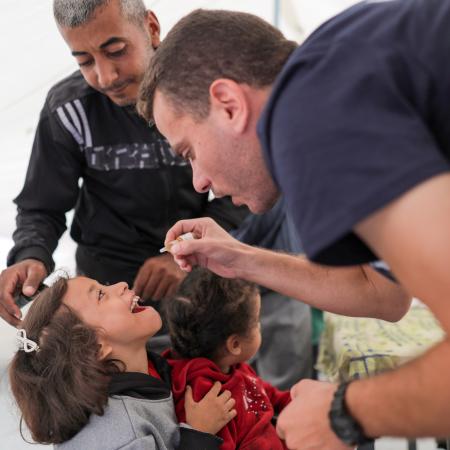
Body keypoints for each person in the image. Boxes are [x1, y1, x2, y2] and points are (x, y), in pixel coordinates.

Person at [135, 3, 450, 449]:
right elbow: (385, 293)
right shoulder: (331, 74)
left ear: (228, 105)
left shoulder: (309, 122)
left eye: (188, 152)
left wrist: (344, 414)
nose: (199, 183)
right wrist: (240, 258)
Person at [0, 0, 246, 336]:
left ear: (152, 28)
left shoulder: (206, 93)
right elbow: (42, 205)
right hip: (110, 293)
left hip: (204, 283)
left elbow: (246, 190)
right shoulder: (69, 109)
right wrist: (30, 254)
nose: (105, 76)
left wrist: (189, 249)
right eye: (84, 61)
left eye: (115, 51)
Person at [9, 276, 236, 449]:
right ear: (95, 348)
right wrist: (198, 433)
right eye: (100, 295)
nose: (121, 284)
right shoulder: (122, 438)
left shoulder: (149, 368)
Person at [164, 268, 291, 450]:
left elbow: (267, 395)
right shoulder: (209, 398)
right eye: (256, 322)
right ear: (235, 344)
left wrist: (303, 401)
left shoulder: (236, 368)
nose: (260, 325)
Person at [231, 198, 312, 388]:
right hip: (233, 290)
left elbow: (261, 208)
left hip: (283, 289)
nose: (200, 183)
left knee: (286, 385)